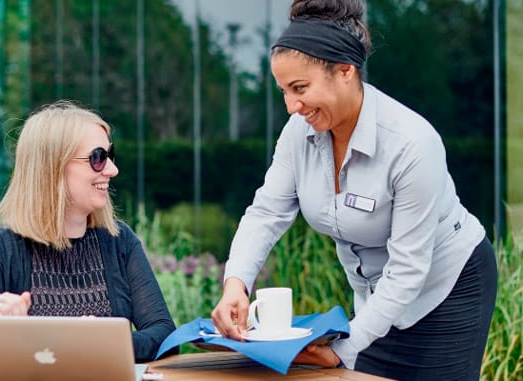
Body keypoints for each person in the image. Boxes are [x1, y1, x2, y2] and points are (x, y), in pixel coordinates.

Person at [211, 1, 497, 379]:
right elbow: (266, 213)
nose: (291, 106)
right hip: (376, 299)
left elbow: (408, 269)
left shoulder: (411, 144)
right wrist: (236, 283)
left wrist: (345, 347)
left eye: (300, 88)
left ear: (345, 71)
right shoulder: (299, 134)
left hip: (446, 288)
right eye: (283, 91)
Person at [0, 101, 176, 371]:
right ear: (53, 167)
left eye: (111, 155)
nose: (112, 169)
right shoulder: (1, 248)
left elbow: (165, 334)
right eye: (98, 157)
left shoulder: (120, 241)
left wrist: (105, 342)